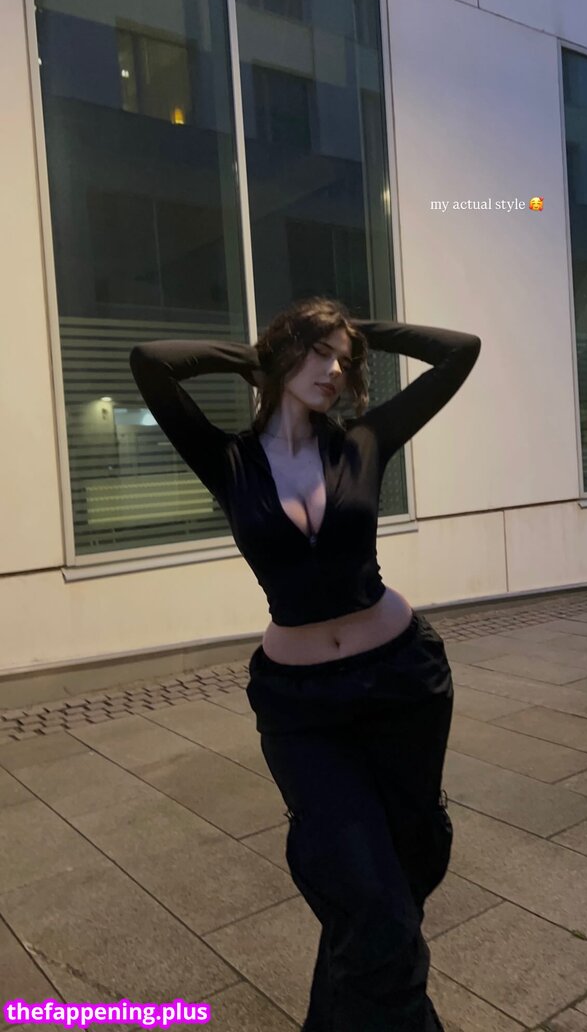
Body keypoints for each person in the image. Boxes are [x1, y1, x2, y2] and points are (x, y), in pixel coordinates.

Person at [129, 296, 482, 1031]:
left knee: (404, 871)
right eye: (319, 355)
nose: (335, 371)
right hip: (302, 709)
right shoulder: (227, 459)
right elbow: (152, 364)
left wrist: (356, 330)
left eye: (344, 362)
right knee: (366, 891)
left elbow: (460, 351)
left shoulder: (365, 440)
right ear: (285, 355)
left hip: (404, 684)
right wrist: (267, 354)